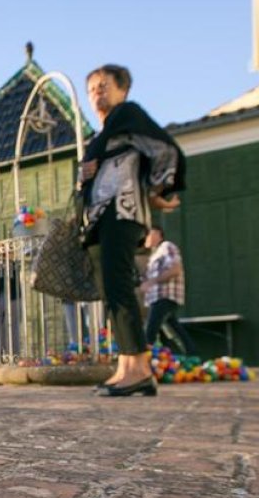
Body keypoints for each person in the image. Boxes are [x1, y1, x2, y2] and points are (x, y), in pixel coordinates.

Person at [79, 64, 185, 397]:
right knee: (111, 291)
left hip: (121, 212)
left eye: (104, 85)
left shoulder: (127, 114)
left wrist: (158, 191)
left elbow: (165, 150)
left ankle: (139, 368)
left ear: (123, 89)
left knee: (119, 287)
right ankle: (127, 364)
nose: (97, 91)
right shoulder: (103, 133)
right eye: (92, 87)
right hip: (99, 219)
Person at [140, 226, 198, 357]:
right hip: (157, 299)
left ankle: (142, 363)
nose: (145, 238)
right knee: (175, 330)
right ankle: (193, 357)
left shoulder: (166, 246)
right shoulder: (153, 255)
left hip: (164, 297)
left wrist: (152, 281)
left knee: (150, 331)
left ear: (158, 234)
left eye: (148, 234)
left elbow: (175, 269)